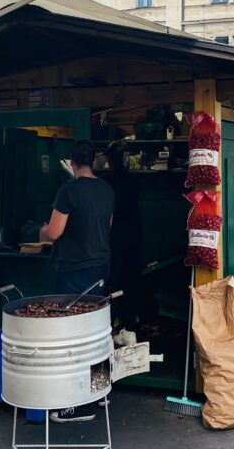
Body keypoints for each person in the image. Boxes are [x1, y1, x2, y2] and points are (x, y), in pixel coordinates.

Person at [40, 139, 115, 423]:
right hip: (100, 266)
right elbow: (106, 227)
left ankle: (75, 405)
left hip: (73, 270)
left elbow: (56, 232)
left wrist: (42, 231)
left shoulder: (69, 189)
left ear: (72, 163)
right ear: (94, 161)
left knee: (71, 335)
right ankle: (100, 391)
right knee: (97, 331)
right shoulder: (107, 190)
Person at [102, 140, 142, 329]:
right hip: (133, 231)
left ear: (110, 160)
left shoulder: (106, 182)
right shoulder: (133, 180)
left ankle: (114, 320)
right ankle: (130, 319)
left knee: (114, 277)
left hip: (115, 233)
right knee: (131, 276)